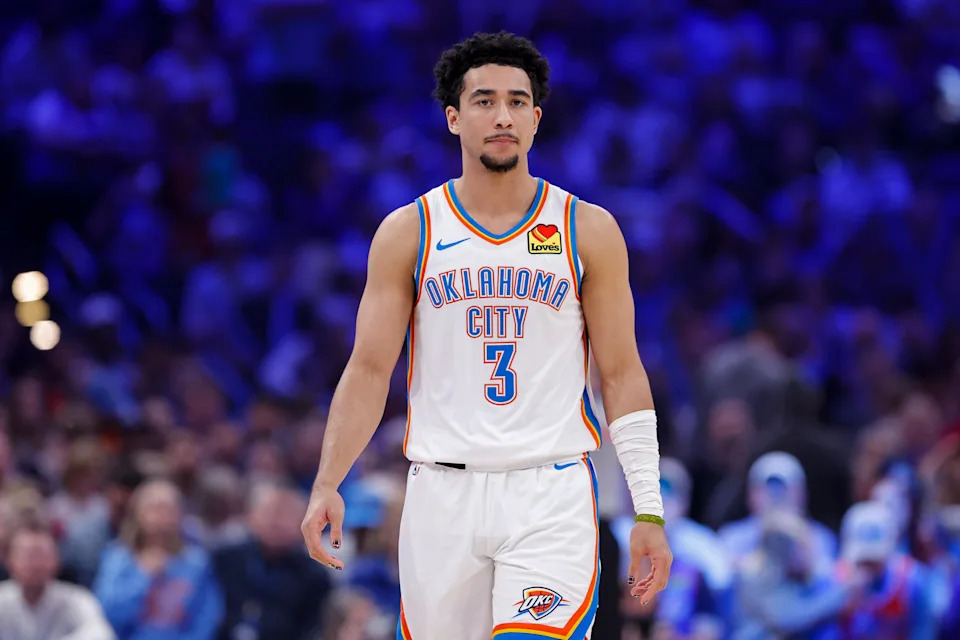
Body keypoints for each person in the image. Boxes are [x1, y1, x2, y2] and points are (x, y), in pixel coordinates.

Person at [299, 31, 671, 638]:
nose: (503, 116)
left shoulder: (587, 230)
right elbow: (368, 370)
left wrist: (648, 509)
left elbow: (623, 374)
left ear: (536, 118)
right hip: (440, 493)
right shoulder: (409, 232)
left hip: (549, 490)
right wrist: (327, 480)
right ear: (453, 117)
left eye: (518, 102)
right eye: (485, 101)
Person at [0, 521, 115, 640]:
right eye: (29, 556)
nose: (36, 564)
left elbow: (102, 634)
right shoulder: (2, 600)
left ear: (57, 560)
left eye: (42, 555)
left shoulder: (77, 599)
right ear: (9, 560)